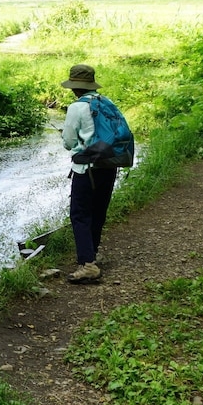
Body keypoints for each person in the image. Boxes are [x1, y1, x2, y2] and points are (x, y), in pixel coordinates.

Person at [60, 64, 118, 284]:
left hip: (86, 169)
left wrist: (73, 140)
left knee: (80, 214)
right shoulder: (106, 102)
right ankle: (93, 254)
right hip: (109, 164)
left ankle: (88, 265)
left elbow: (69, 142)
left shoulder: (77, 108)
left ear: (75, 87)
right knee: (98, 211)